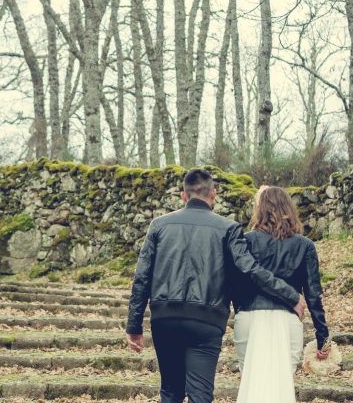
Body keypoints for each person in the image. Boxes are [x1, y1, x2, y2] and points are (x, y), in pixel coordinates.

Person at [125, 169, 306, 403]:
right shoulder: (228, 228)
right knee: (201, 394)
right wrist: (291, 295)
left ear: (183, 196)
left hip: (165, 317)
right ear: (213, 194)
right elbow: (249, 269)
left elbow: (142, 276)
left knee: (170, 391)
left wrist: (134, 324)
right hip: (206, 321)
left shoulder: (159, 225)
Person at [231, 185, 330, 403]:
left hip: (249, 317)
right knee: (282, 385)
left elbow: (235, 287)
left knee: (251, 382)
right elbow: (313, 294)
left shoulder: (245, 241)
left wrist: (241, 310)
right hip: (288, 319)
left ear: (259, 210)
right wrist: (323, 337)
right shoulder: (305, 246)